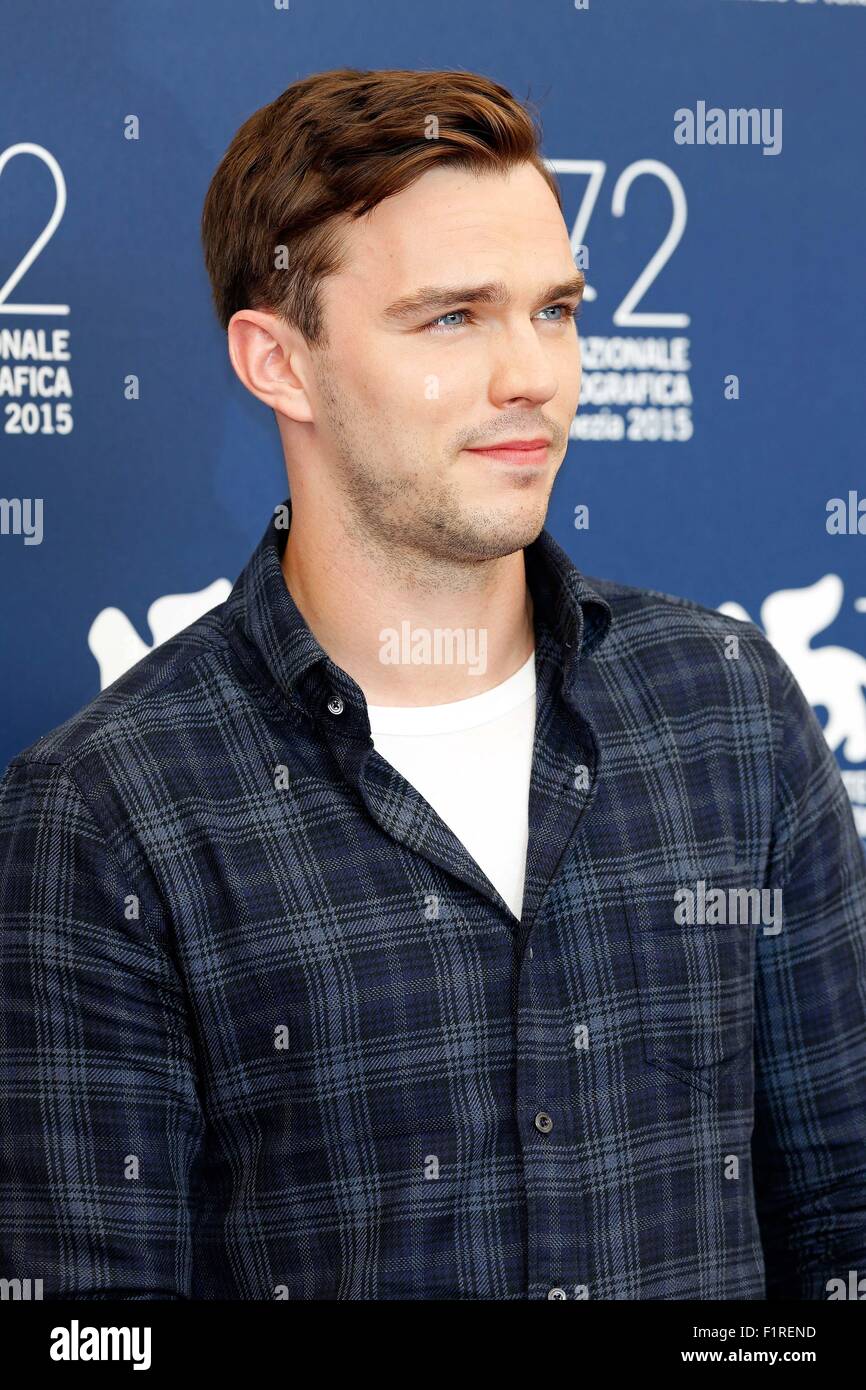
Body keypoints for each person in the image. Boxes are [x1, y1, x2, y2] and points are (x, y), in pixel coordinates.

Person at [1, 67, 864, 1301]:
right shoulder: (106, 811)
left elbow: (843, 1212)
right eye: (453, 318)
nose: (536, 376)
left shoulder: (726, 708)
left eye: (554, 310)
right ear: (278, 362)